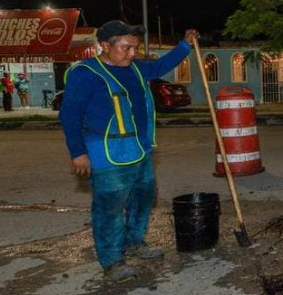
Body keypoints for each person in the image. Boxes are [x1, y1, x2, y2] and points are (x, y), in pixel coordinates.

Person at [59, 20, 198, 281]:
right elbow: (69, 114)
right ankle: (112, 260)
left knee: (143, 198)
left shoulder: (135, 69)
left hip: (139, 149)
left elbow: (159, 66)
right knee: (109, 208)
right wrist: (78, 152)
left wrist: (184, 46)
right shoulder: (85, 74)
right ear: (104, 46)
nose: (132, 54)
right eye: (126, 48)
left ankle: (135, 242)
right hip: (105, 151)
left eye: (134, 48)